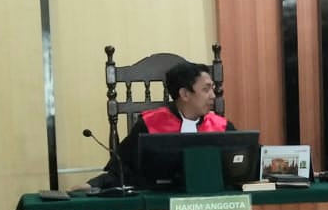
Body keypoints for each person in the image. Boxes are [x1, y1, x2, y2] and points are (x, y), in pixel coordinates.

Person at [99, 60, 235, 185]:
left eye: (212, 88)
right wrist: (96, 184)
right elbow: (120, 170)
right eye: (206, 89)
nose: (213, 95)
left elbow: (239, 168)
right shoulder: (149, 125)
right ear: (185, 94)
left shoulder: (222, 127)